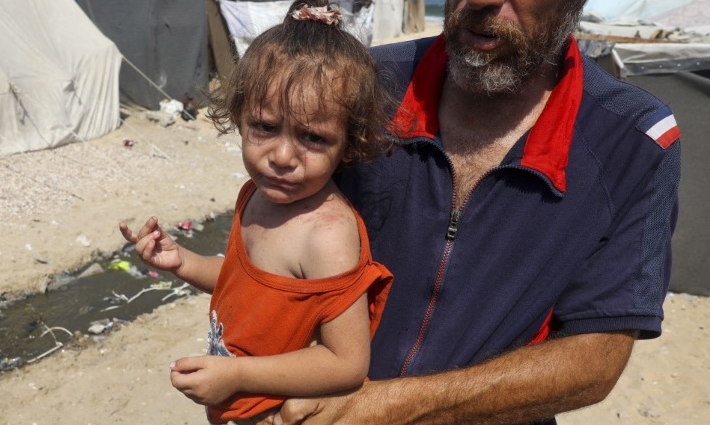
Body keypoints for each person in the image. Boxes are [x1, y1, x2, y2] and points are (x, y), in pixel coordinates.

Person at [263, 0, 682, 424]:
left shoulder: (633, 138)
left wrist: (384, 408)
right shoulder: (361, 83)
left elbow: (595, 360)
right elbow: (264, 245)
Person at [119, 1, 393, 423]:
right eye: (265, 127)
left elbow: (346, 363)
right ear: (240, 117)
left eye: (314, 138)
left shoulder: (326, 235)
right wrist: (183, 262)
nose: (282, 156)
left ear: (350, 143)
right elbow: (244, 282)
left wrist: (238, 376)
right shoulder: (255, 195)